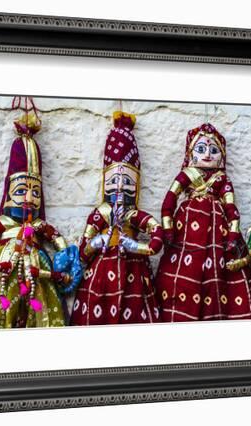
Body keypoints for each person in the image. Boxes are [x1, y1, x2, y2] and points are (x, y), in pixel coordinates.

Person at [0, 110, 82, 329]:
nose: (28, 198)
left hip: (37, 271)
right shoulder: (2, 223)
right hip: (3, 270)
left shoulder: (39, 226)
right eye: (21, 191)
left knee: (39, 309)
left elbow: (59, 243)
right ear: (8, 194)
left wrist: (65, 258)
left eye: (35, 193)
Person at [154, 123, 251, 322]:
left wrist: (234, 233)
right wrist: (167, 227)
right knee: (183, 276)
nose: (208, 155)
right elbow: (169, 202)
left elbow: (231, 208)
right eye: (201, 149)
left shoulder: (222, 179)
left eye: (214, 150)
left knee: (220, 271)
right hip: (186, 226)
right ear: (191, 154)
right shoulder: (187, 175)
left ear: (222, 156)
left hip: (219, 228)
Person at [70, 111, 163, 326]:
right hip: (101, 275)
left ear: (136, 184)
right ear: (105, 180)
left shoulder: (134, 214)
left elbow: (158, 235)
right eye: (114, 179)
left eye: (127, 181)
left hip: (135, 272)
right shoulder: (100, 213)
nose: (120, 185)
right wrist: (96, 242)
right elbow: (83, 252)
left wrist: (136, 246)